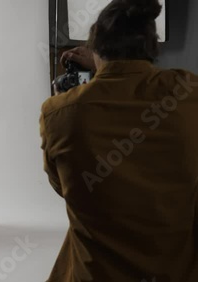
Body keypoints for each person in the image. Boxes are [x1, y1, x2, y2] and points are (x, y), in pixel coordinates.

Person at [41, 0, 198, 281]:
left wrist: (99, 71)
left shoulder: (58, 112)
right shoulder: (188, 91)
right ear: (153, 47)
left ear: (96, 47)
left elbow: (62, 186)